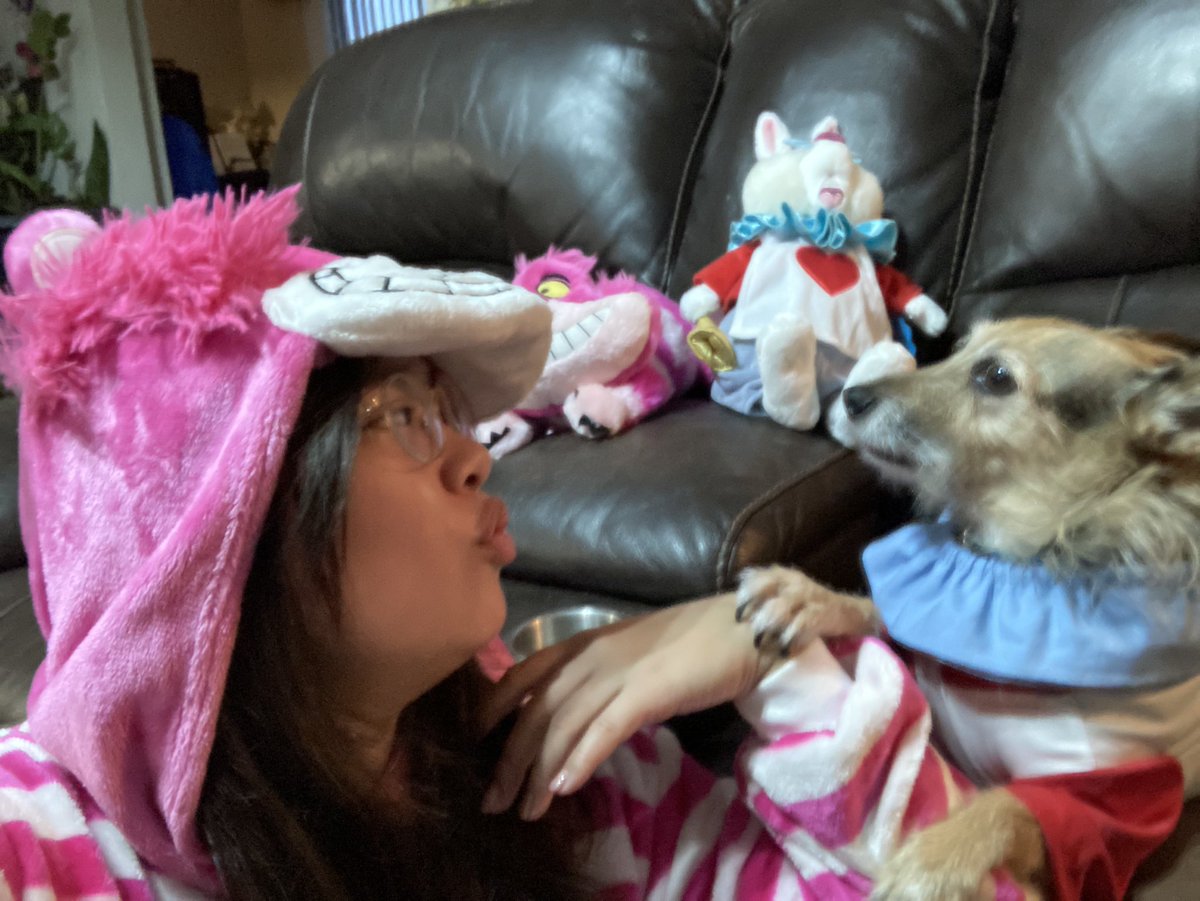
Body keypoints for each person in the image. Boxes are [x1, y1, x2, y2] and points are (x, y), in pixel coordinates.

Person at [0, 191, 1008, 900]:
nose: (476, 460)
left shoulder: (573, 783)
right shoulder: (37, 837)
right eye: (403, 417)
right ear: (209, 529)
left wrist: (769, 649)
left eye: (453, 411)